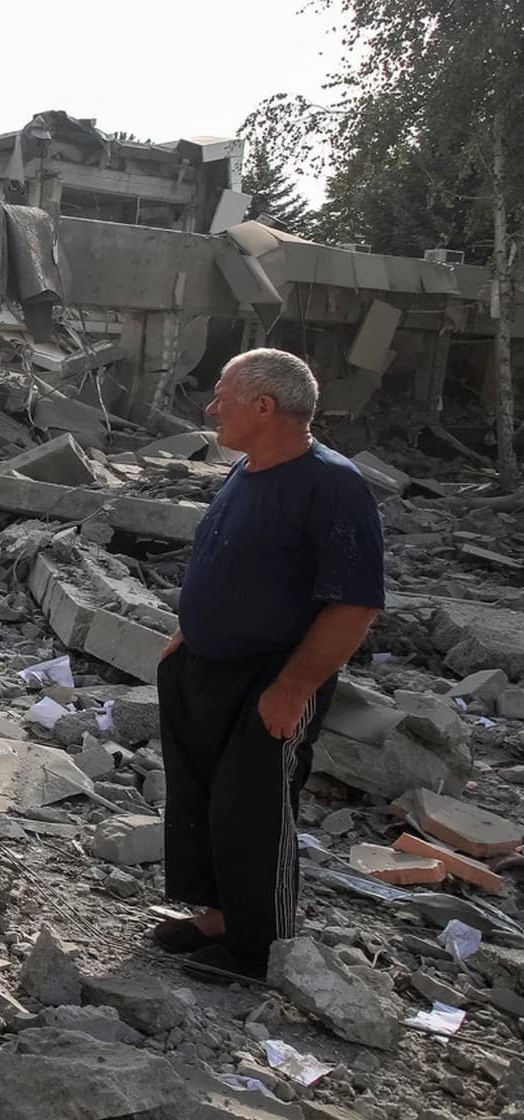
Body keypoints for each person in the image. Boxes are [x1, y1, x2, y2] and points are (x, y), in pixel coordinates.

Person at [153, 348, 384, 980]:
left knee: (253, 806)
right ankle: (222, 916)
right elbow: (237, 563)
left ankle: (261, 945)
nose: (210, 407)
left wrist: (294, 685)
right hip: (204, 667)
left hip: (271, 677)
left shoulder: (331, 484)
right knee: (204, 796)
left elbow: (356, 604)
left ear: (263, 405)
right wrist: (189, 630)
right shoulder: (249, 470)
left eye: (222, 395)